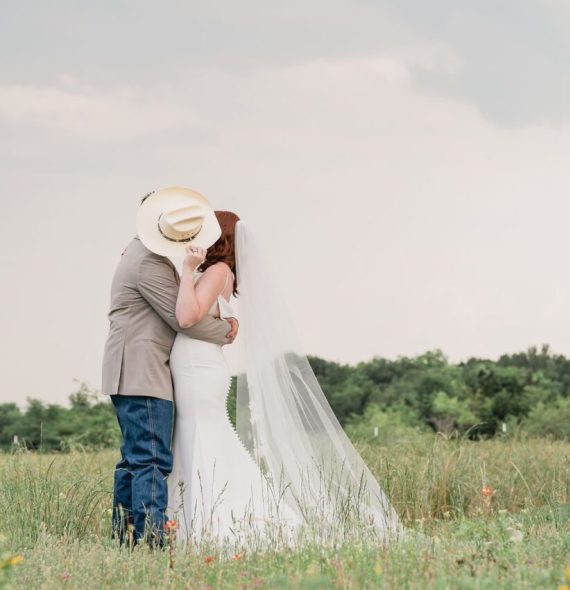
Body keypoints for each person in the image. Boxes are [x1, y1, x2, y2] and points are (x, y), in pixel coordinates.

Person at [163, 209, 404, 551]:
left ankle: (212, 523)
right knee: (197, 437)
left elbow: (186, 315)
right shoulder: (221, 273)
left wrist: (187, 271)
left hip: (198, 371)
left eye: (205, 231)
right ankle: (192, 522)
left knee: (199, 436)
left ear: (220, 237)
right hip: (200, 368)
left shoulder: (216, 272)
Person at [101, 187, 238, 547]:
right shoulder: (148, 261)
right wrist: (226, 330)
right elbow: (185, 320)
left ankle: (126, 538)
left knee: (134, 460)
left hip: (133, 371)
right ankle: (150, 541)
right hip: (143, 373)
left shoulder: (139, 254)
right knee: (151, 460)